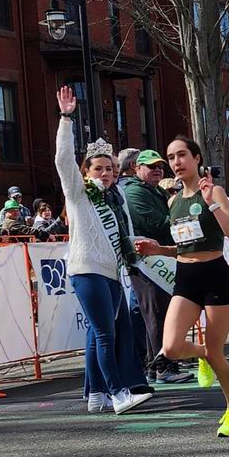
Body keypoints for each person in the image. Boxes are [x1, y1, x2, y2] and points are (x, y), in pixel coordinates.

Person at [134, 135, 229, 437]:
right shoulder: (173, 201)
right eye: (171, 158)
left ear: (197, 158)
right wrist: (159, 250)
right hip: (185, 279)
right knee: (170, 348)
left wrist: (211, 204)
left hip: (214, 276)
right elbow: (183, 247)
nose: (176, 163)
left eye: (182, 155)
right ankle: (204, 355)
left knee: (217, 351)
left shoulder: (215, 191)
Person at [55, 86, 152, 415]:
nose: (106, 174)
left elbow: (124, 230)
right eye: (99, 169)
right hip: (87, 270)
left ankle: (97, 395)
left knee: (99, 337)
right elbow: (62, 159)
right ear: (86, 172)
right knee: (105, 334)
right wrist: (66, 119)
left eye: (110, 168)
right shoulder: (79, 193)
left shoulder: (117, 198)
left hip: (111, 272)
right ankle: (118, 393)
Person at [124, 149, 193, 384]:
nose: (157, 170)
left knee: (161, 314)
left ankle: (157, 365)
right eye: (151, 166)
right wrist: (189, 221)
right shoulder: (134, 192)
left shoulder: (156, 192)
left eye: (160, 167)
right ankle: (164, 367)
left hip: (158, 258)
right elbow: (158, 224)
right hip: (145, 262)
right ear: (137, 168)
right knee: (157, 315)